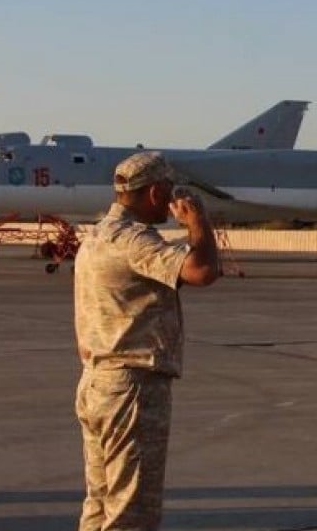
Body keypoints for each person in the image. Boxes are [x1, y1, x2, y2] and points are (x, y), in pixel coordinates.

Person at [73, 150, 221, 531]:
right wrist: (198, 222)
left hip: (96, 380)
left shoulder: (96, 236)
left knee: (100, 503)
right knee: (130, 512)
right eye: (169, 190)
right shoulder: (134, 240)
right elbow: (202, 270)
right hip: (132, 387)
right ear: (156, 192)